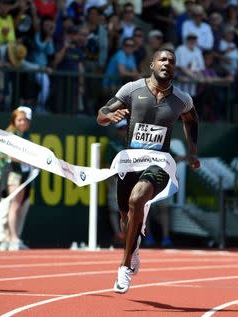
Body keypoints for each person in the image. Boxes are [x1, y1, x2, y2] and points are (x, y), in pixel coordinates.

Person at [96, 47, 200, 294]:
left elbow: (192, 120)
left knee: (137, 198)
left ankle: (123, 268)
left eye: (172, 61)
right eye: (162, 59)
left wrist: (193, 151)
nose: (167, 63)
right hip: (131, 160)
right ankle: (134, 249)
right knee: (127, 220)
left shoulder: (182, 99)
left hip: (159, 162)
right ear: (152, 64)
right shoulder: (131, 90)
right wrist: (110, 117)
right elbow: (101, 114)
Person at [0, 107, 33, 251]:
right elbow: (11, 156)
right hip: (12, 173)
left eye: (25, 120)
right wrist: (30, 159)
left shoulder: (26, 136)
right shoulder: (10, 134)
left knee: (17, 207)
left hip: (23, 175)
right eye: (19, 120)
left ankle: (13, 238)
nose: (23, 122)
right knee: (12, 207)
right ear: (14, 121)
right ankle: (9, 239)